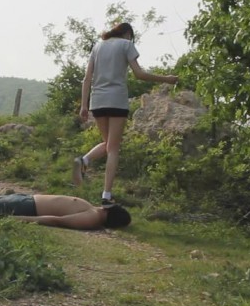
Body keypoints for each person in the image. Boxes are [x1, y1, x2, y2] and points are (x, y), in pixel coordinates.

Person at [73, 22, 177, 205]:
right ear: (127, 33)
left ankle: (84, 160)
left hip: (97, 102)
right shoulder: (126, 44)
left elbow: (87, 78)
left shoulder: (97, 46)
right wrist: (166, 79)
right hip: (116, 100)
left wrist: (84, 105)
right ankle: (106, 195)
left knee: (108, 144)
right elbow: (139, 74)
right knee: (113, 148)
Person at [0, 193, 131, 230]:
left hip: (27, 207)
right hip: (27, 199)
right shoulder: (94, 210)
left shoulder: (92, 218)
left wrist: (20, 219)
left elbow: (58, 220)